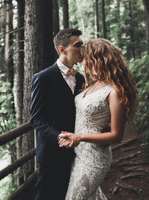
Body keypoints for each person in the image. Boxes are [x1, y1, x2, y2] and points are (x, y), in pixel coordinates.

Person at [58, 38, 137, 200]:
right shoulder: (91, 84)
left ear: (96, 60)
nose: (82, 62)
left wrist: (79, 137)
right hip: (78, 154)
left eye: (85, 58)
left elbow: (116, 135)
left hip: (94, 158)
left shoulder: (114, 91)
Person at [30, 28, 85, 200]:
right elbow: (36, 119)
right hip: (50, 151)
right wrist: (60, 136)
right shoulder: (42, 78)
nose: (82, 49)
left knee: (66, 193)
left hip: (76, 150)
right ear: (62, 49)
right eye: (77, 45)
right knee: (45, 195)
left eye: (82, 45)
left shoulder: (81, 79)